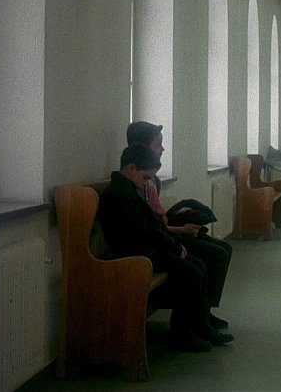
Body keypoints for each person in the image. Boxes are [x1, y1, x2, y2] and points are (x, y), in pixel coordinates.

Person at [97, 144, 234, 352]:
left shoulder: (127, 189)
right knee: (192, 271)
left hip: (144, 249)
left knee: (198, 265)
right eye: (145, 178)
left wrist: (174, 243)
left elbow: (152, 225)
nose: (146, 183)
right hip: (135, 255)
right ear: (131, 168)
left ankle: (200, 324)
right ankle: (182, 333)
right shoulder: (118, 195)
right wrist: (174, 246)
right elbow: (144, 232)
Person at [126, 121, 232, 331]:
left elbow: (158, 220)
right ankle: (199, 317)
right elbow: (151, 228)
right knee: (214, 255)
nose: (163, 149)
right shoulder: (139, 184)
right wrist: (181, 231)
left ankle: (205, 311)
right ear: (143, 148)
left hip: (166, 231)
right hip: (162, 239)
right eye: (158, 145)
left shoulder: (147, 181)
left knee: (223, 248)